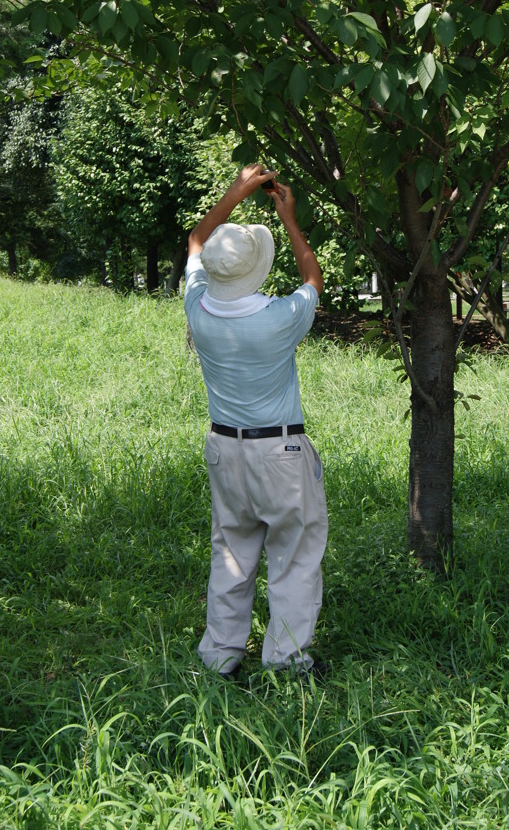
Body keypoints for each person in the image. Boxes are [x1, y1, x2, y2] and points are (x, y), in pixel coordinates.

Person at [184, 163, 328, 679]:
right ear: (254, 269)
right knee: (294, 553)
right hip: (281, 452)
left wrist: (236, 191)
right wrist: (288, 219)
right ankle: (287, 661)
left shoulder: (197, 308)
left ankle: (221, 654)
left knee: (232, 549)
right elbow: (313, 277)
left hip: (225, 449)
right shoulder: (280, 316)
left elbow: (197, 240)